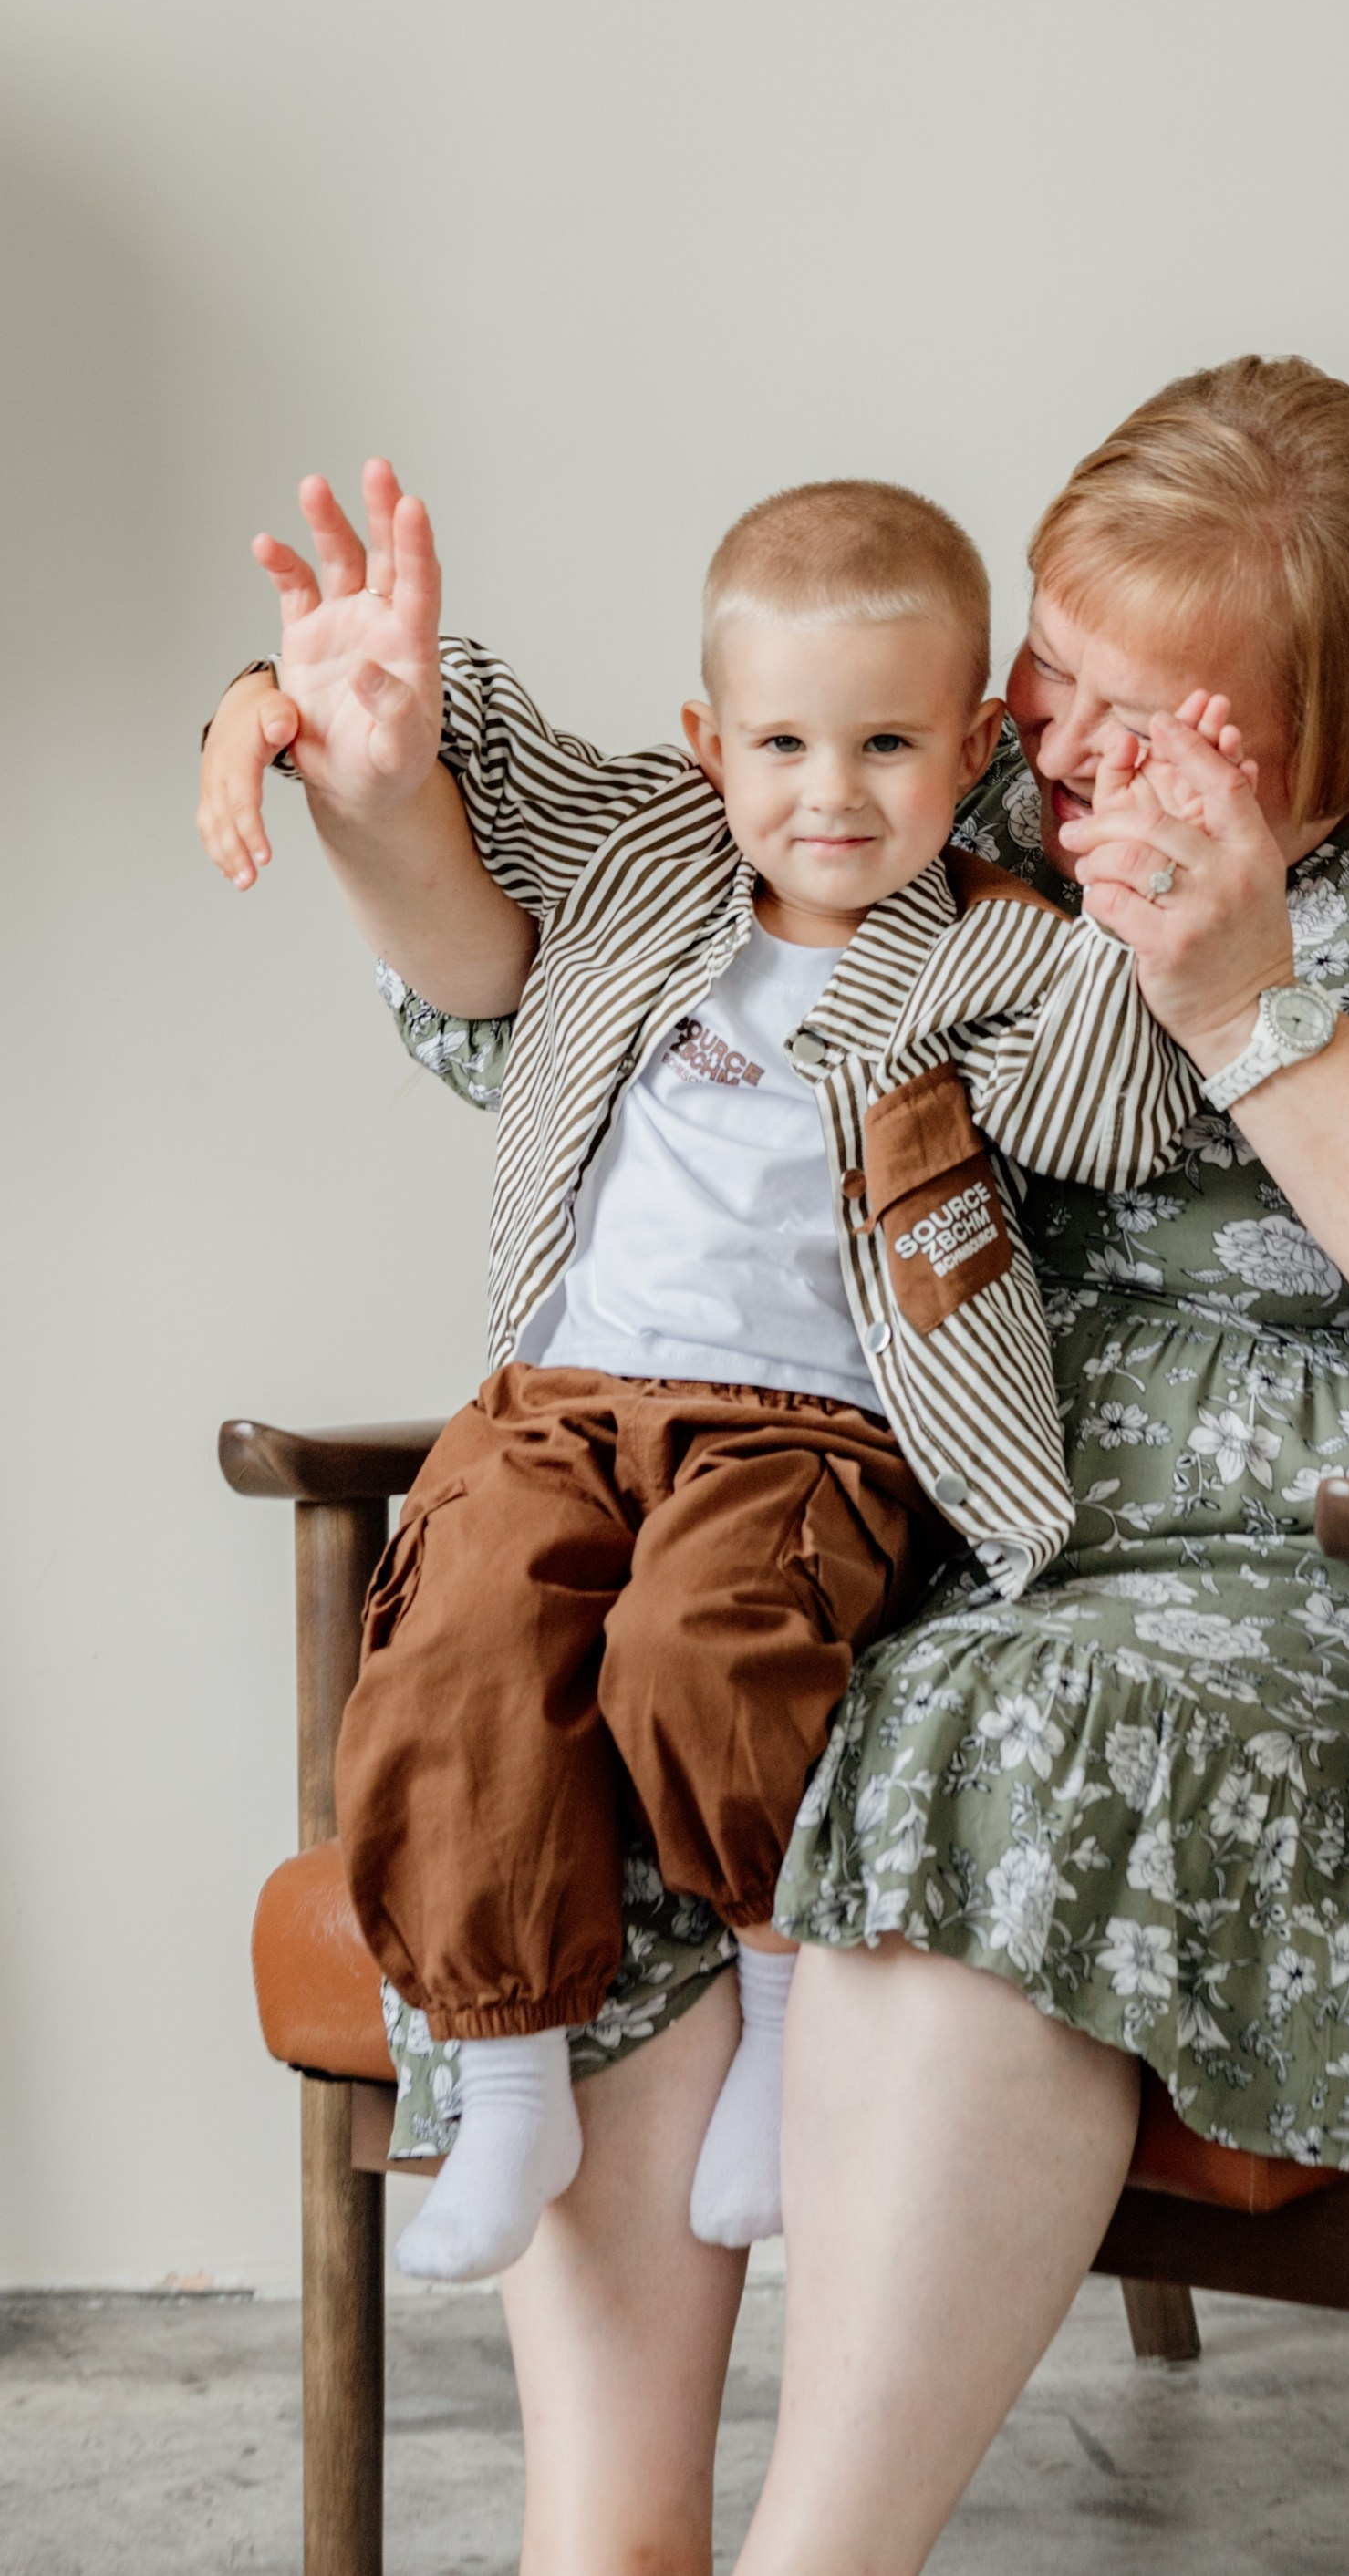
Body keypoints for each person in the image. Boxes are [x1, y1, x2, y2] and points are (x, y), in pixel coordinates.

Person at [199, 356, 1349, 2576]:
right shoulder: (971, 805)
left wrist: (1244, 1007)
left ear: (1336, 739)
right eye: (1052, 663)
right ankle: (607, 2543)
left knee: (993, 1718)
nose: (1055, 742)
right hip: (932, 1547)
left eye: (1153, 719)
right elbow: (561, 1003)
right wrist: (372, 787)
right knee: (639, 1664)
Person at [208, 471, 1200, 2285]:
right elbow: (472, 757)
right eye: (785, 744)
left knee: (704, 1656)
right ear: (707, 740)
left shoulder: (995, 945)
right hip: (561, 1401)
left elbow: (1115, 1123)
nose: (831, 796)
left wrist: (1144, 913)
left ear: (974, 739)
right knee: (451, 1650)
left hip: (807, 1430)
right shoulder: (647, 840)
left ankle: (774, 1991)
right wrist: (318, 708)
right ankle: (508, 2079)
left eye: (890, 744)